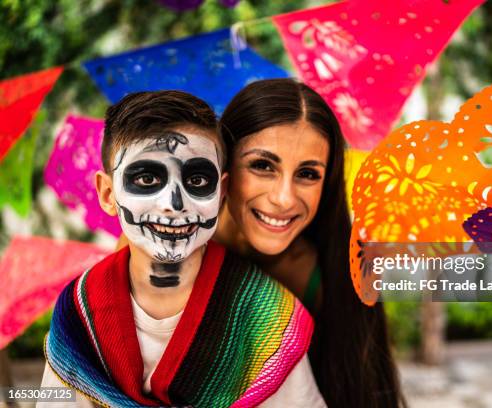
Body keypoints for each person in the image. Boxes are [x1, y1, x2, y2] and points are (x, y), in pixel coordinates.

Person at [38, 90, 325, 407]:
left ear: (222, 191)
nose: (174, 205)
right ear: (107, 194)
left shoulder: (266, 315)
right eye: (147, 178)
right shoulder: (81, 311)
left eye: (198, 180)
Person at [215, 78, 405, 408]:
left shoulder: (331, 274)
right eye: (262, 165)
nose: (284, 198)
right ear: (224, 164)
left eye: (307, 174)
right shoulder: (162, 248)